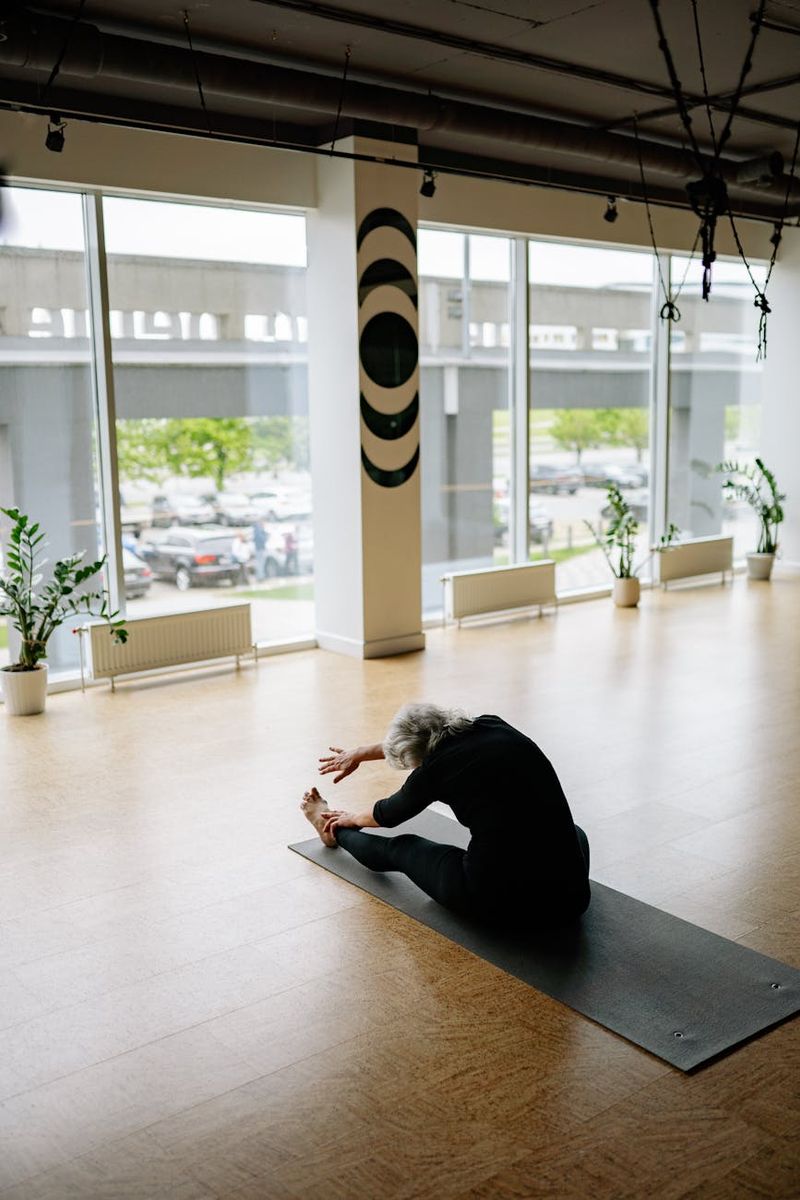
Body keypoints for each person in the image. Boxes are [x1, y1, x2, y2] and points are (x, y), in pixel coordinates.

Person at [301, 703, 590, 931]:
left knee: (403, 847)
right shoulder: (491, 724)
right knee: (568, 831)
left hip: (505, 904)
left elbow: (386, 814)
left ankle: (331, 829)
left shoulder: (435, 770)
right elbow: (421, 738)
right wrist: (362, 753)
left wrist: (349, 818)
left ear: (415, 760)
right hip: (573, 897)